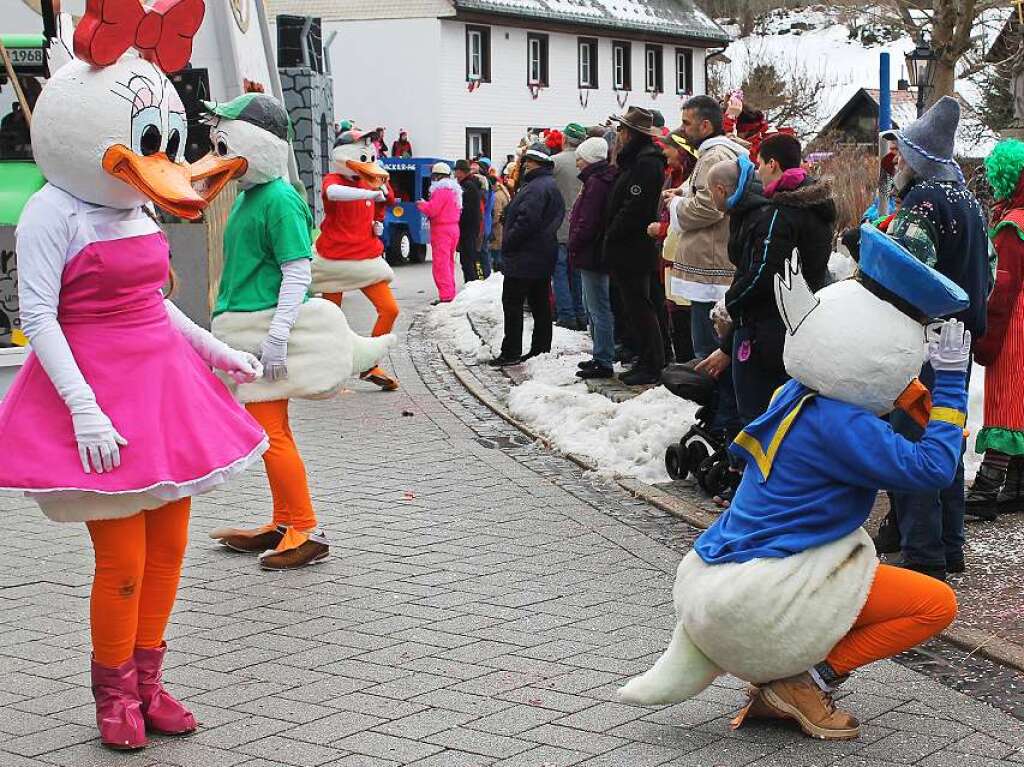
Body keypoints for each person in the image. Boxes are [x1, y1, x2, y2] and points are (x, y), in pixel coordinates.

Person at [0, 9, 268, 748]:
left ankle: (150, 681)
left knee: (171, 547)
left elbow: (153, 303)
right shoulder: (51, 212)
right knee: (121, 559)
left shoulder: (138, 204)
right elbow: (39, 317)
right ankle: (112, 690)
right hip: (100, 397)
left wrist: (214, 350)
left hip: (163, 390)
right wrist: (82, 408)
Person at [620, 225, 972, 742]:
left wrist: (923, 389)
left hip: (716, 579)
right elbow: (932, 468)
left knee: (859, 562)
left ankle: (786, 673)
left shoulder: (801, 392)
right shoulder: (840, 423)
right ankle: (804, 682)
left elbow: (879, 388)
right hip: (762, 593)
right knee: (934, 604)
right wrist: (953, 387)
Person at [874, 96, 993, 581]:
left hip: (919, 343)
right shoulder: (970, 204)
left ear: (919, 158)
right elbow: (990, 272)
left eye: (902, 153)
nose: (896, 161)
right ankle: (948, 545)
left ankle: (923, 556)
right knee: (945, 438)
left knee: (912, 446)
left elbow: (905, 273)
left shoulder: (923, 201)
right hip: (957, 344)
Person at [698, 134, 837, 425]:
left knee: (757, 409)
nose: (758, 172)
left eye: (760, 164)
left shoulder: (782, 211)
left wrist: (731, 303)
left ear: (773, 164)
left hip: (769, 326)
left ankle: (752, 469)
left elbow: (764, 272)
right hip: (797, 317)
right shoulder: (814, 204)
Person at [313, 130, 400, 391]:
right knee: (332, 318)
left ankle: (369, 364)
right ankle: (330, 367)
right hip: (333, 259)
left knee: (390, 309)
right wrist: (369, 195)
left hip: (365, 258)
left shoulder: (370, 180)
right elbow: (335, 193)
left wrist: (379, 219)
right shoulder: (334, 179)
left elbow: (385, 200)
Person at [966, 139, 1024, 517]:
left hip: (1016, 325)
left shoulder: (1011, 227)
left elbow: (1002, 288)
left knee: (1006, 399)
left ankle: (987, 488)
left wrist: (987, 336)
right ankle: (1018, 485)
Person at [672, 95, 744, 359]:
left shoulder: (715, 156)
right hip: (709, 257)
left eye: (686, 123)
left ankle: (714, 398)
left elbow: (709, 206)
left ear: (705, 126)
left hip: (710, 262)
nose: (682, 129)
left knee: (708, 349)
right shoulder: (714, 154)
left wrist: (677, 206)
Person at [604, 107, 668, 386]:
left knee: (640, 306)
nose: (619, 135)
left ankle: (652, 361)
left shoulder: (646, 163)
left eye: (621, 130)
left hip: (633, 245)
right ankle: (647, 357)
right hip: (627, 245)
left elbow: (635, 206)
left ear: (630, 133)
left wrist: (613, 232)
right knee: (636, 306)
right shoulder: (637, 161)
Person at [490, 143, 565, 366]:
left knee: (513, 305)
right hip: (540, 254)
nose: (523, 166)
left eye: (525, 162)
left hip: (524, 257)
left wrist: (510, 241)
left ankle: (511, 351)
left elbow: (527, 221)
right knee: (540, 303)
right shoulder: (548, 184)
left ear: (532, 163)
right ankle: (541, 349)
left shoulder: (535, 188)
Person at [569, 136, 619, 379]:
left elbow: (587, 220)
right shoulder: (600, 179)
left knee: (598, 307)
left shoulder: (596, 183)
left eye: (579, 158)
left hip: (592, 253)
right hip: (596, 252)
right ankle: (600, 354)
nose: (577, 163)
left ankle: (603, 358)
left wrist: (575, 242)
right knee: (595, 306)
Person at [649, 131, 699, 365]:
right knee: (675, 312)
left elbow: (693, 216)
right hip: (671, 255)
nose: (663, 153)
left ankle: (688, 367)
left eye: (667, 148)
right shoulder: (674, 176)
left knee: (684, 315)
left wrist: (662, 228)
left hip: (684, 255)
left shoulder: (691, 179)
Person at [552, 123, 588, 330]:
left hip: (560, 224)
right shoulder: (586, 162)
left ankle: (566, 314)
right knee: (577, 273)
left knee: (559, 271)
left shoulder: (555, 162)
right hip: (581, 223)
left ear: (565, 139)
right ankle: (580, 312)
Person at [417, 162, 463, 303]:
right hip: (454, 228)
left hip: (441, 230)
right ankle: (450, 291)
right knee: (449, 262)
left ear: (436, 176)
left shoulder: (440, 191)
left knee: (441, 264)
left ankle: (446, 295)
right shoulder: (455, 191)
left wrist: (421, 204)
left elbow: (433, 210)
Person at [455, 159, 484, 282]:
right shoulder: (471, 184)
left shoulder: (467, 187)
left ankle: (472, 283)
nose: (455, 175)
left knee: (468, 259)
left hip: (468, 228)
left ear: (461, 172)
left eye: (456, 171)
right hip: (472, 227)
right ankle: (474, 281)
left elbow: (466, 210)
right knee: (471, 257)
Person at [489, 167, 512, 273]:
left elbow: (496, 215)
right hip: (503, 228)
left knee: (496, 256)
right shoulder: (503, 191)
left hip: (497, 230)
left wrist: (489, 224)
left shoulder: (497, 196)